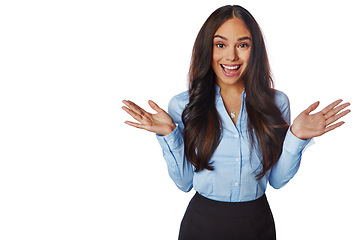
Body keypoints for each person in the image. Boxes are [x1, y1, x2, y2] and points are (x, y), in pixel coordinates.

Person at [122, 5, 351, 240]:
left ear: (255, 50)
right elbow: (184, 183)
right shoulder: (183, 105)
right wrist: (169, 134)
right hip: (201, 224)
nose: (231, 56)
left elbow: (277, 181)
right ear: (207, 49)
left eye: (242, 45)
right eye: (220, 45)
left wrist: (297, 136)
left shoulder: (276, 103)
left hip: (257, 223)